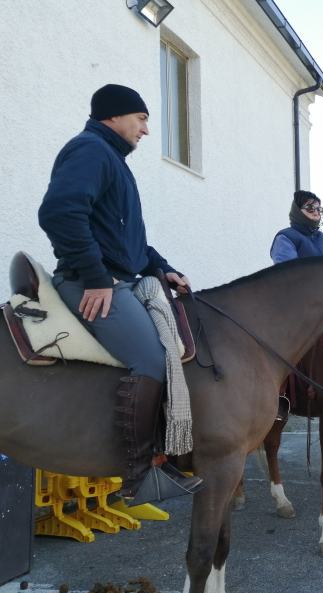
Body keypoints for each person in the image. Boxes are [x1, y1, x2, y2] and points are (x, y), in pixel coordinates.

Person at [38, 84, 202, 501]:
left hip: (117, 278)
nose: (146, 130)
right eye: (142, 119)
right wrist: (95, 277)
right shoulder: (91, 150)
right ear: (114, 115)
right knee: (150, 358)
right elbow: (59, 213)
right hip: (93, 283)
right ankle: (139, 477)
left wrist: (162, 269)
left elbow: (128, 242)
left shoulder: (112, 160)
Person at [270, 190, 323, 262]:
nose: (316, 212)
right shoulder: (287, 237)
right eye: (310, 208)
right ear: (297, 211)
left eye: (319, 209)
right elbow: (287, 270)